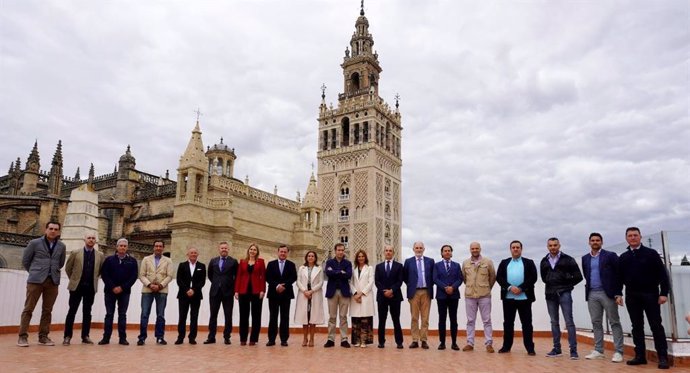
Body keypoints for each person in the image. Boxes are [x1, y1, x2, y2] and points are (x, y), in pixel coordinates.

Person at [618, 227, 670, 369]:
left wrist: (664, 293)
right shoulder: (623, 257)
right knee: (637, 327)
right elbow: (618, 278)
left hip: (651, 294)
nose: (633, 238)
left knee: (656, 326)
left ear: (640, 237)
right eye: (630, 236)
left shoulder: (651, 254)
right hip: (632, 296)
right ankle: (640, 356)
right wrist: (618, 293)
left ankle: (663, 357)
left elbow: (663, 275)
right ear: (626, 238)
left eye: (635, 235)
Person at [17, 221, 67, 347]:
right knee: (28, 309)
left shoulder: (61, 246)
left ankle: (43, 337)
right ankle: (22, 337)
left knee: (47, 310)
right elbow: (26, 261)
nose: (53, 231)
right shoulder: (34, 243)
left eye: (56, 229)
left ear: (59, 231)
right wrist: (36, 272)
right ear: (46, 230)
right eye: (51, 228)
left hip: (52, 281)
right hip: (36, 281)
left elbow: (60, 263)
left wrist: (51, 272)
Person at [581, 232, 624, 363]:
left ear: (602, 242)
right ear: (589, 242)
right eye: (592, 240)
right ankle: (599, 350)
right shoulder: (585, 258)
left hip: (608, 293)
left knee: (614, 322)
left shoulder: (610, 256)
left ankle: (618, 352)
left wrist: (618, 293)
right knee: (596, 322)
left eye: (597, 240)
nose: (595, 242)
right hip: (592, 293)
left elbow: (618, 274)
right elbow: (586, 274)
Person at [540, 237, 583, 359]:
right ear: (547, 247)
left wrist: (566, 285)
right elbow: (544, 278)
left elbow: (578, 276)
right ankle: (557, 349)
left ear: (559, 246)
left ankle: (573, 351)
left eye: (555, 245)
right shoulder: (544, 261)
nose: (553, 247)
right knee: (554, 322)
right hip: (550, 294)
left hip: (565, 293)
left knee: (569, 322)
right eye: (550, 245)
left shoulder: (568, 259)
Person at [62, 232, 105, 346]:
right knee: (72, 311)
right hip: (76, 287)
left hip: (90, 288)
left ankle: (85, 336)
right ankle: (67, 336)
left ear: (96, 241)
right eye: (89, 238)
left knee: (87, 312)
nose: (91, 240)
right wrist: (74, 279)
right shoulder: (75, 253)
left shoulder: (100, 255)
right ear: (84, 239)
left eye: (93, 238)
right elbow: (68, 268)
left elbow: (100, 270)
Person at [496, 240, 537, 355]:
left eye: (517, 247)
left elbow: (533, 277)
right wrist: (510, 287)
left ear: (521, 249)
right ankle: (506, 347)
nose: (515, 249)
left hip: (524, 298)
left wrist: (521, 288)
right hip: (508, 298)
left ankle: (530, 348)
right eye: (513, 247)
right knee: (508, 323)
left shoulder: (529, 262)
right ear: (510, 249)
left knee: (527, 324)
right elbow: (499, 277)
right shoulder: (504, 262)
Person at [99, 238, 138, 345]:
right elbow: (104, 274)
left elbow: (133, 277)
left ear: (127, 248)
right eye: (120, 245)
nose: (122, 247)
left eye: (124, 246)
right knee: (109, 314)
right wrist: (113, 287)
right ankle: (106, 338)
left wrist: (122, 287)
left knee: (122, 315)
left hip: (124, 292)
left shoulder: (132, 261)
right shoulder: (109, 260)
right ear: (116, 247)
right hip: (110, 291)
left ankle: (122, 338)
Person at [137, 240, 174, 346]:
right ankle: (142, 337)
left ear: (163, 248)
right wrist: (149, 285)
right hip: (147, 290)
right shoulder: (146, 259)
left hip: (162, 290)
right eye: (156, 246)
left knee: (160, 315)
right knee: (144, 314)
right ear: (153, 247)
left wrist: (160, 285)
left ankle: (160, 337)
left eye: (160, 246)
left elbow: (169, 275)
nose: (158, 248)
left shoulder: (168, 260)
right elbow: (142, 275)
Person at [462, 241, 496, 352]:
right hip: (470, 296)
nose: (475, 250)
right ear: (470, 250)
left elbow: (492, 277)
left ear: (480, 249)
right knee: (470, 320)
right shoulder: (465, 263)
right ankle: (470, 343)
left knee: (487, 320)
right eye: (473, 249)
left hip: (484, 295)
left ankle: (489, 344)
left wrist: (486, 288)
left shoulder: (488, 262)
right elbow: (464, 279)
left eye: (477, 248)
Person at [403, 241, 434, 349]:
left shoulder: (430, 261)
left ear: (424, 249)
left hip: (426, 292)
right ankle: (415, 340)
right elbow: (405, 277)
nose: (419, 249)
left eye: (421, 247)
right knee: (414, 317)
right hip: (414, 292)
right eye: (417, 247)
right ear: (413, 249)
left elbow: (432, 276)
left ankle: (424, 340)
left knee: (425, 318)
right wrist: (412, 285)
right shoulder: (408, 262)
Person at [205, 241, 238, 345]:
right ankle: (211, 337)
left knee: (228, 315)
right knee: (213, 315)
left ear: (228, 249)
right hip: (214, 292)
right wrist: (217, 283)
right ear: (219, 249)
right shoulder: (213, 261)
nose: (224, 250)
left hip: (228, 293)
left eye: (225, 248)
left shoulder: (233, 261)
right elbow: (210, 275)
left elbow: (236, 277)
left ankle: (227, 337)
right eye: (222, 248)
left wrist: (230, 286)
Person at [265, 244, 297, 346]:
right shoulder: (271, 264)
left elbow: (293, 277)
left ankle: (284, 339)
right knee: (273, 317)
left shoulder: (291, 265)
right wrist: (277, 285)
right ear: (278, 252)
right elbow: (268, 277)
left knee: (285, 317)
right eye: (281, 251)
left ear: (287, 253)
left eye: (285, 252)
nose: (283, 253)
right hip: (273, 293)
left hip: (286, 294)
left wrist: (284, 286)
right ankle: (271, 339)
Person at [235, 243, 266, 346]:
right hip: (243, 291)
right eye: (251, 249)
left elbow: (263, 277)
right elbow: (239, 276)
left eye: (254, 250)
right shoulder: (242, 262)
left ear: (257, 252)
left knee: (256, 316)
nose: (252, 251)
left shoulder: (261, 262)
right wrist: (236, 291)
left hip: (256, 292)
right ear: (248, 250)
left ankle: (253, 339)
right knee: (243, 315)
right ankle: (243, 338)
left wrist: (262, 290)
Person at [433, 244, 463, 351]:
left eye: (449, 250)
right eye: (445, 251)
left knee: (453, 319)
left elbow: (460, 279)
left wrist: (453, 287)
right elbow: (435, 279)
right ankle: (442, 342)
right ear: (441, 253)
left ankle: (454, 342)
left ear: (451, 252)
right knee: (442, 319)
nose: (447, 252)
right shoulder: (436, 265)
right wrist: (445, 287)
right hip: (441, 295)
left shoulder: (457, 265)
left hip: (454, 295)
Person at [324, 243, 353, 348]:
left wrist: (335, 272)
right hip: (332, 292)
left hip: (344, 292)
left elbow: (349, 274)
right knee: (332, 317)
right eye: (338, 250)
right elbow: (328, 273)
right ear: (335, 251)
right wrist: (341, 272)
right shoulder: (329, 262)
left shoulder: (348, 263)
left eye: (342, 250)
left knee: (343, 317)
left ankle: (344, 339)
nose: (340, 252)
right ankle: (330, 339)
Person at [374, 245, 404, 349]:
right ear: (384, 252)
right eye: (386, 250)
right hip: (382, 297)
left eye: (390, 251)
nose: (388, 252)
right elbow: (377, 281)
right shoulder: (379, 267)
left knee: (396, 320)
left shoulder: (399, 266)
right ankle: (381, 341)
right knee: (382, 320)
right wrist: (384, 291)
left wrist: (391, 290)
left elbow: (400, 281)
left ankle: (399, 342)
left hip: (395, 297)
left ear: (393, 253)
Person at [175, 247, 206, 345]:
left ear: (197, 254)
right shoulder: (182, 265)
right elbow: (179, 280)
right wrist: (187, 290)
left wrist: (193, 290)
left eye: (195, 253)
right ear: (187, 254)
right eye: (191, 253)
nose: (193, 254)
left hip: (196, 295)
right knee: (182, 316)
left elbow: (202, 281)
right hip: (183, 295)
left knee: (194, 316)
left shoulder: (202, 266)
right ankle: (180, 337)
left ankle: (192, 337)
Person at [294, 250, 324, 347]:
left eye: (312, 256)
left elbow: (321, 282)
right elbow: (298, 281)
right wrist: (305, 291)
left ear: (315, 258)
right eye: (309, 256)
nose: (310, 257)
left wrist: (311, 291)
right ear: (306, 257)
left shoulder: (319, 268)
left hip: (314, 294)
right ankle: (304, 338)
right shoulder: (302, 268)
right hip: (304, 294)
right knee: (305, 317)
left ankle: (312, 339)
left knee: (313, 317)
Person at [350, 249, 375, 348]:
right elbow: (350, 283)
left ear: (365, 258)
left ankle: (364, 341)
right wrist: (355, 293)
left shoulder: (369, 268)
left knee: (365, 319)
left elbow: (370, 283)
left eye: (362, 256)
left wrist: (361, 294)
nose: (361, 258)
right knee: (356, 319)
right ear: (357, 258)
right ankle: (356, 340)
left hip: (365, 296)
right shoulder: (353, 269)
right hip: (355, 297)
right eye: (359, 256)